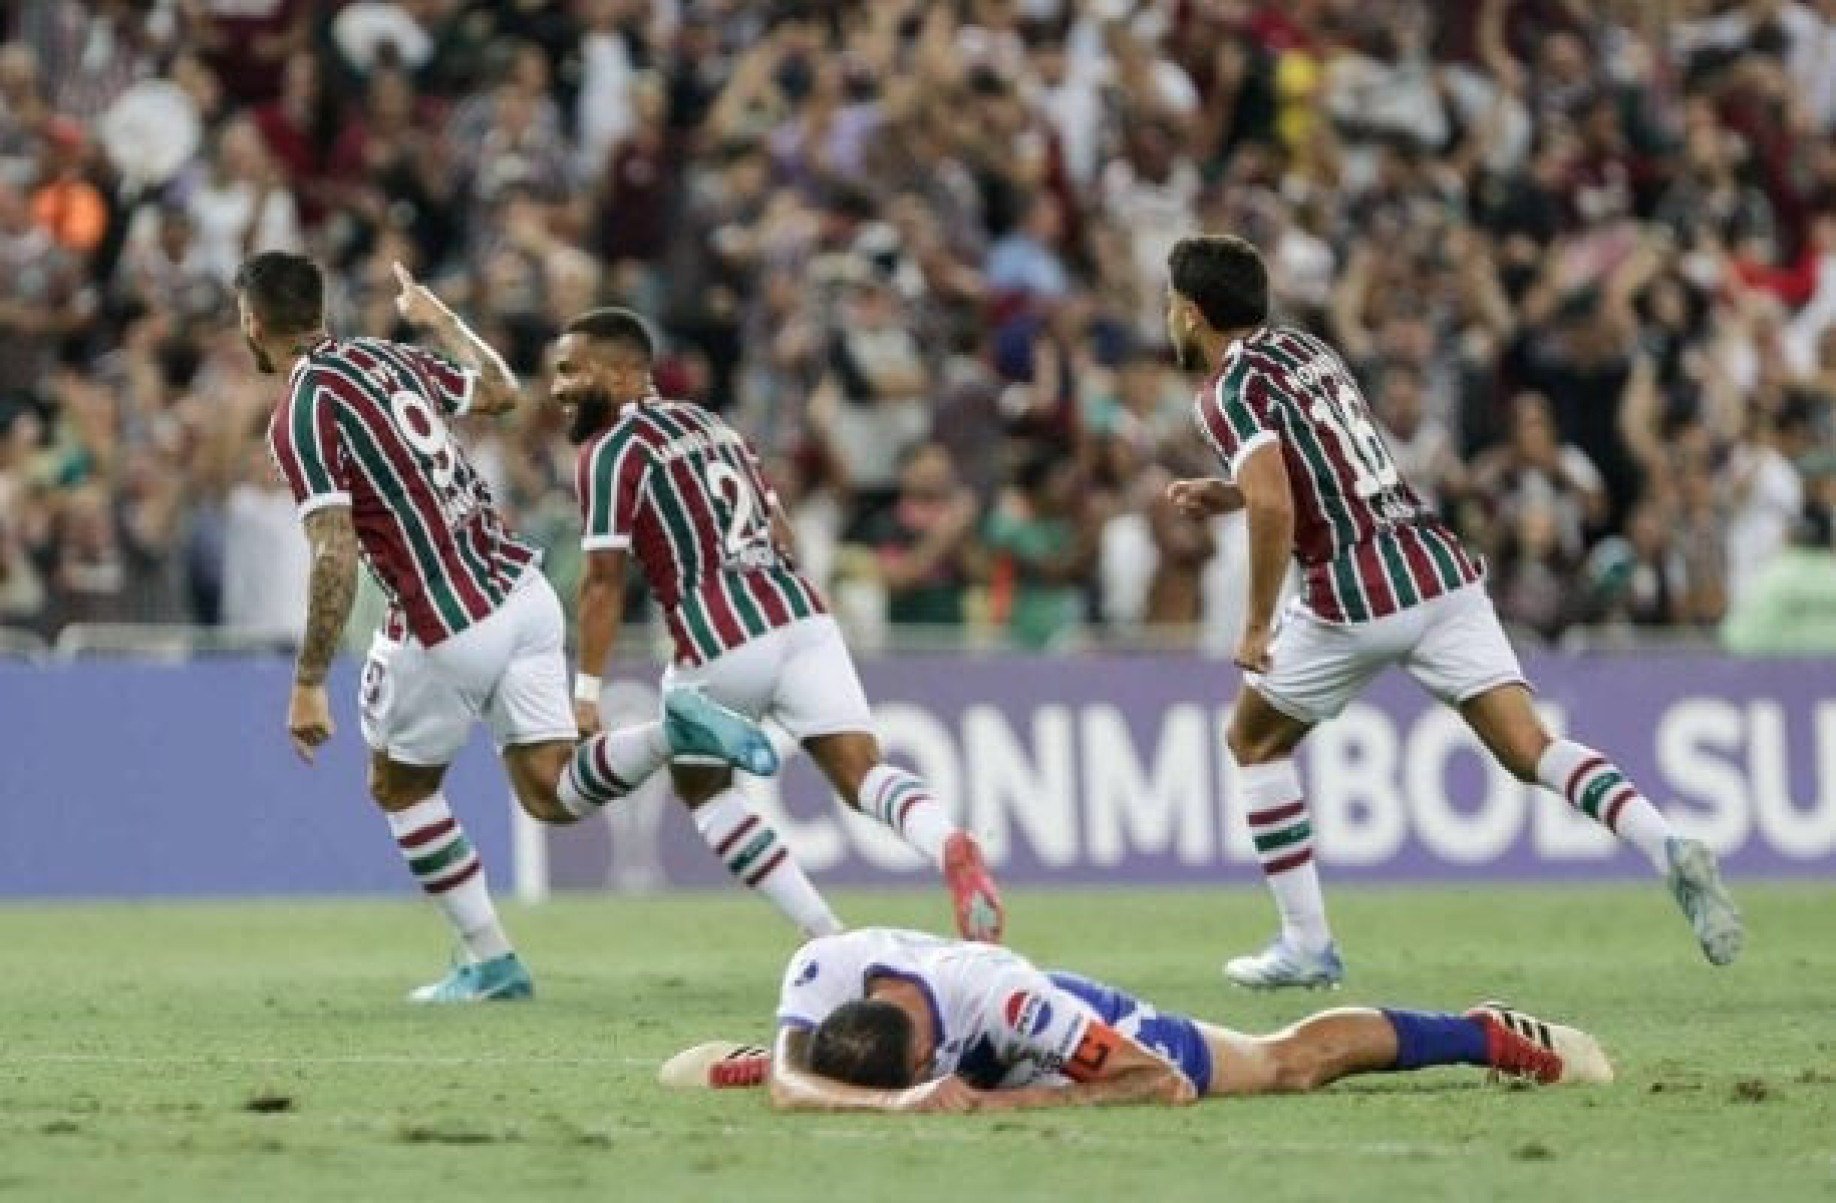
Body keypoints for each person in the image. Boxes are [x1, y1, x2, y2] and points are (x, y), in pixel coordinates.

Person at [1160, 235, 1743, 989]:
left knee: (1252, 741)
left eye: (1171, 304)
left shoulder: (1225, 391)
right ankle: (1666, 844)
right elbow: (1329, 463)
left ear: (1192, 312)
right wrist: (1230, 491)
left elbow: (1277, 503)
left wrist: (1254, 623)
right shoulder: (1308, 351)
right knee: (1530, 747)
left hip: (1356, 590)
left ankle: (1307, 943)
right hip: (1437, 568)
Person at [237, 252, 776, 1002]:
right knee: (551, 793)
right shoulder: (390, 359)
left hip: (445, 619)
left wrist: (307, 681)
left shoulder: (301, 412)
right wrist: (442, 320)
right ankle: (670, 732)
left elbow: (334, 552)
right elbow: (500, 391)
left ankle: (491, 960)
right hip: (521, 592)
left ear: (252, 322)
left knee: (399, 787)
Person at [550, 308, 1005, 943]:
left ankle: (825, 934)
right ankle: (948, 841)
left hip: (718, 634)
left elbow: (602, 580)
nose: (559, 387)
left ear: (625, 375)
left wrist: (587, 693)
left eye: (574, 371)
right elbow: (784, 533)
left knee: (706, 794)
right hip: (801, 616)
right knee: (862, 773)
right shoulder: (717, 426)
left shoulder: (610, 452)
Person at [664, 927, 1614, 1108]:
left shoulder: (1014, 1003)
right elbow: (793, 1081)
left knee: (1286, 1064)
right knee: (787, 1075)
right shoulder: (823, 965)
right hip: (967, 1062)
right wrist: (896, 1105)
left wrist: (999, 1107)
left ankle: (1482, 1032)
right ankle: (747, 1059)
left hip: (1069, 1036)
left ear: (923, 1054)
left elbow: (1156, 1086)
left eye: (911, 1082)